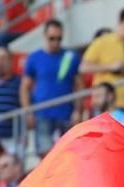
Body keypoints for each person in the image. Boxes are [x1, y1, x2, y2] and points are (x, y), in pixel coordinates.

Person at [22, 19, 82, 157]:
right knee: (45, 156)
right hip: (42, 114)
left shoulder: (71, 56)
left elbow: (79, 86)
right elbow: (25, 88)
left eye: (59, 39)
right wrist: (28, 112)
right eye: (52, 38)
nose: (55, 42)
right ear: (44, 36)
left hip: (66, 113)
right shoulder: (34, 57)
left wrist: (78, 110)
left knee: (69, 155)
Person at [79, 7, 124, 98]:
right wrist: (111, 67)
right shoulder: (102, 42)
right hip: (106, 101)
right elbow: (83, 67)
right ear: (119, 22)